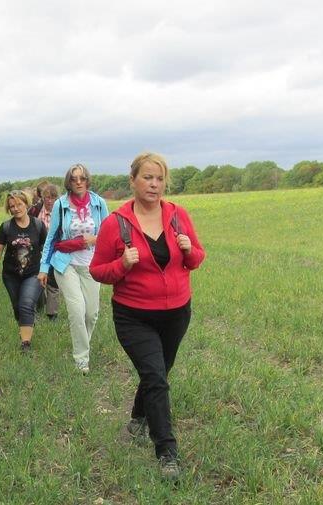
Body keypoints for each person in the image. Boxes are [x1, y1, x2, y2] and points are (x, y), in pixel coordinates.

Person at [89, 152, 205, 482]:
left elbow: (197, 258)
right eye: (147, 178)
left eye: (159, 178)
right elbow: (98, 271)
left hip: (176, 312)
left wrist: (187, 249)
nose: (154, 184)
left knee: (158, 372)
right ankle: (167, 452)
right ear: (133, 181)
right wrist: (123, 264)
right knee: (156, 377)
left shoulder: (178, 216)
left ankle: (139, 415)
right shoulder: (116, 223)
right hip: (134, 315)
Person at [38, 164, 109, 374]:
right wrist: (43, 268)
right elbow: (51, 239)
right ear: (68, 182)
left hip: (91, 264)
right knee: (77, 311)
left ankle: (82, 346)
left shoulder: (99, 203)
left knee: (91, 314)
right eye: (74, 178)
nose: (78, 182)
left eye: (82, 178)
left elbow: (109, 234)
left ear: (88, 180)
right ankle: (81, 359)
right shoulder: (61, 205)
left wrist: (93, 239)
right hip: (65, 264)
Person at [0, 191, 47, 353]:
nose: (16, 209)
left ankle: (26, 344)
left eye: (19, 204)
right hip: (11, 276)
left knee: (26, 303)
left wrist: (46, 269)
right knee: (18, 308)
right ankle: (26, 322)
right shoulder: (6, 227)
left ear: (26, 204)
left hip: (33, 273)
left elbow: (47, 248)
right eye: (12, 206)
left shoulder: (38, 225)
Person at [34, 183, 61, 321]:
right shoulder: (35, 211)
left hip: (56, 253)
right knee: (39, 281)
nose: (49, 200)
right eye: (47, 197)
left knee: (53, 283)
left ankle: (52, 313)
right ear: (42, 198)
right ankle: (39, 307)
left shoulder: (62, 211)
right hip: (39, 252)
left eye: (52, 197)